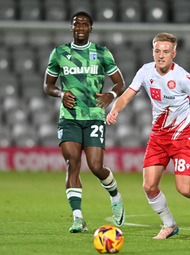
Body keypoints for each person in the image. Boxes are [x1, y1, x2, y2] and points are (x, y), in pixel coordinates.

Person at [106, 32, 190, 239]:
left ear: (174, 54)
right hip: (158, 139)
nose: (161, 55)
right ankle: (169, 224)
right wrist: (115, 109)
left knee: (185, 190)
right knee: (149, 185)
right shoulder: (145, 71)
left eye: (165, 52)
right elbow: (126, 95)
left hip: (182, 140)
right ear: (153, 51)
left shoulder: (182, 77)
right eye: (157, 51)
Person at [43, 11, 126, 233]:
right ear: (71, 27)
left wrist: (110, 95)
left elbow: (120, 83)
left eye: (85, 24)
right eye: (76, 23)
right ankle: (78, 219)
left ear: (91, 28)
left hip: (94, 117)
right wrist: (60, 94)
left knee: (96, 166)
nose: (80, 26)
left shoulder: (101, 53)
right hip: (69, 117)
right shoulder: (59, 53)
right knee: (72, 163)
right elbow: (48, 85)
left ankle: (115, 196)